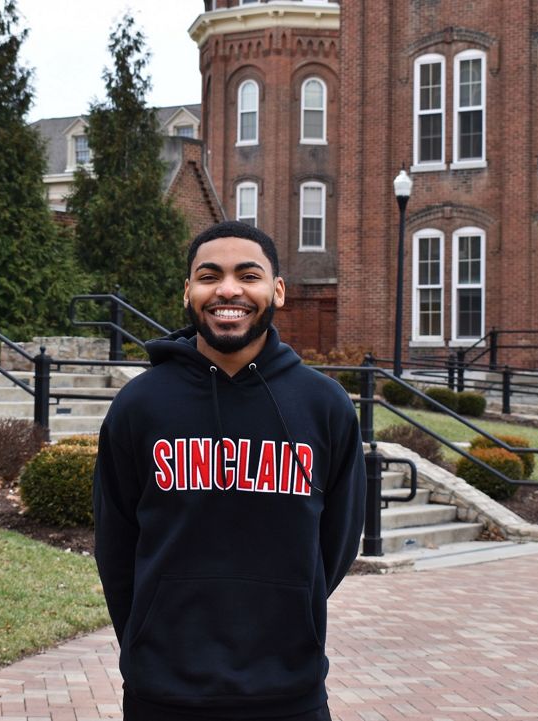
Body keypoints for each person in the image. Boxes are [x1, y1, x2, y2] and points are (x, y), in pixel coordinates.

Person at [93, 220, 366, 720]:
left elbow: (337, 543)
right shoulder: (140, 405)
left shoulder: (324, 406)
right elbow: (116, 544)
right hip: (164, 693)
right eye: (209, 275)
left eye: (248, 275)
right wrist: (147, 642)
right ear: (188, 292)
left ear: (277, 291)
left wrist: (288, 608)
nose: (228, 290)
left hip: (290, 692)